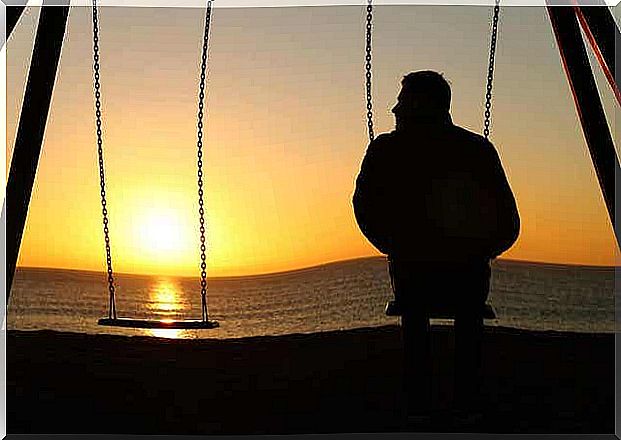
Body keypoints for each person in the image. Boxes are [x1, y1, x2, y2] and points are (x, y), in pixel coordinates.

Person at [352, 71, 520, 425]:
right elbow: (508, 221)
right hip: (467, 276)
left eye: (401, 101)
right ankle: (468, 408)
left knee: (415, 324)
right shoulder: (477, 149)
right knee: (468, 320)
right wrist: (480, 250)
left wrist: (396, 245)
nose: (394, 109)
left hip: (413, 273)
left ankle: (418, 410)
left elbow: (364, 209)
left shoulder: (386, 149)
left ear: (419, 104)